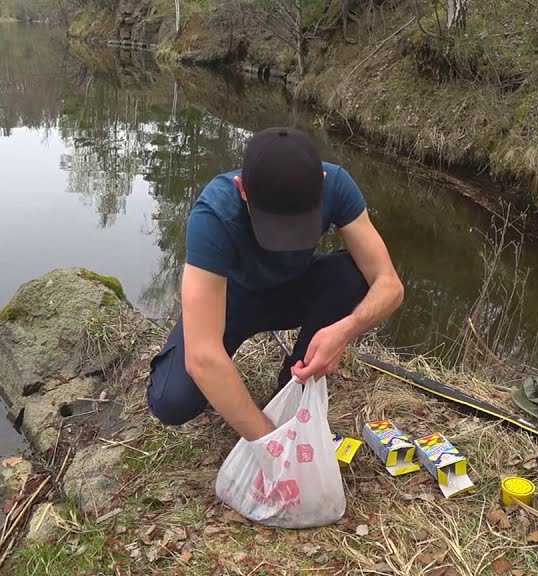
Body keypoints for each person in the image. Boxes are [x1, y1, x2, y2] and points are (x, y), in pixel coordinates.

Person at [146, 127, 404, 440]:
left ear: (321, 181)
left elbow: (389, 284)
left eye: (298, 226)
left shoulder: (336, 184)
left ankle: (295, 378)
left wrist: (344, 330)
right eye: (273, 226)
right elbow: (202, 357)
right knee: (172, 402)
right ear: (242, 189)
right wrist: (270, 441)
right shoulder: (213, 213)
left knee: (354, 274)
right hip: (231, 303)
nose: (286, 241)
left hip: (294, 292)